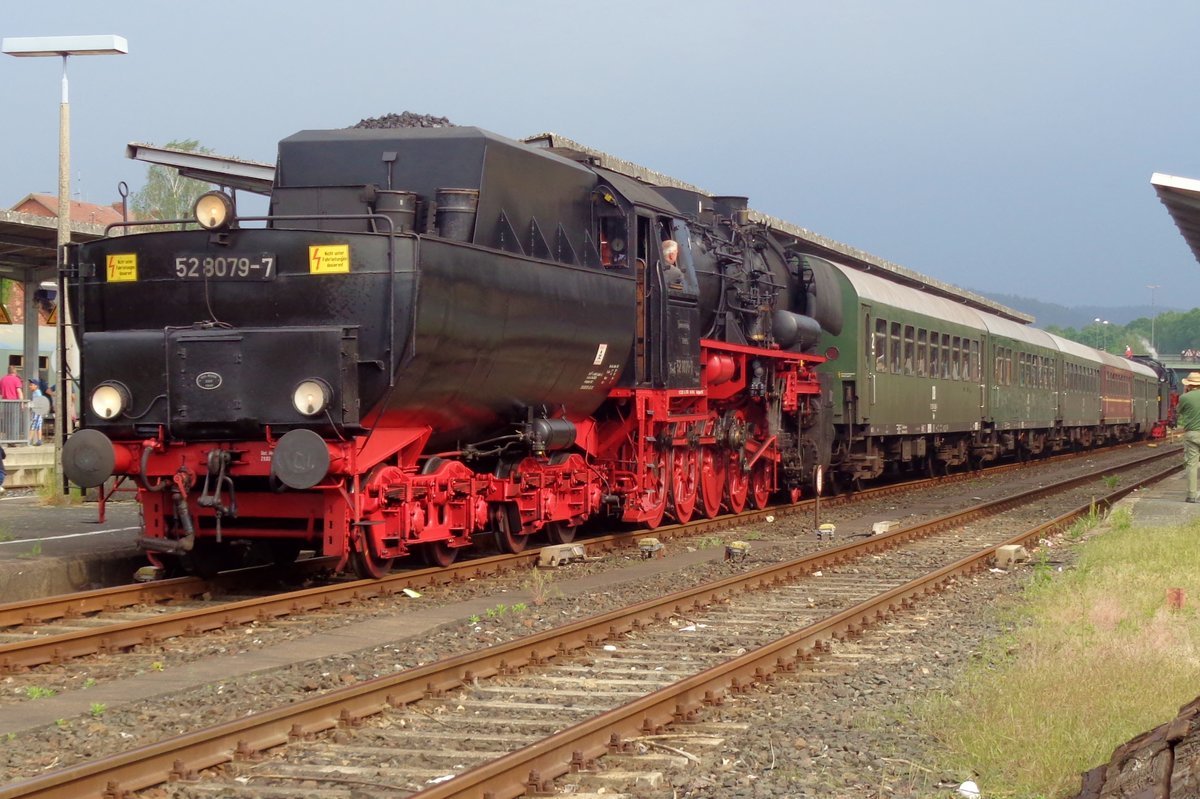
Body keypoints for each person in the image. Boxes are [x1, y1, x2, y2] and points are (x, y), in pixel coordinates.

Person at [1178, 371, 1200, 503]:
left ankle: (1191, 495)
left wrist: (1185, 392)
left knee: (1192, 464)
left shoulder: (1184, 398)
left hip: (1191, 434)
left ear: (1189, 385)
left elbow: (1178, 411)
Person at [27, 378, 43, 447]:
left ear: (36, 386)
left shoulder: (37, 393)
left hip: (37, 411)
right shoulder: (35, 392)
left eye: (31, 385)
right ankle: (39, 440)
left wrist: (28, 405)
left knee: (33, 425)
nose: (29, 386)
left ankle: (29, 441)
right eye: (30, 385)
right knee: (38, 426)